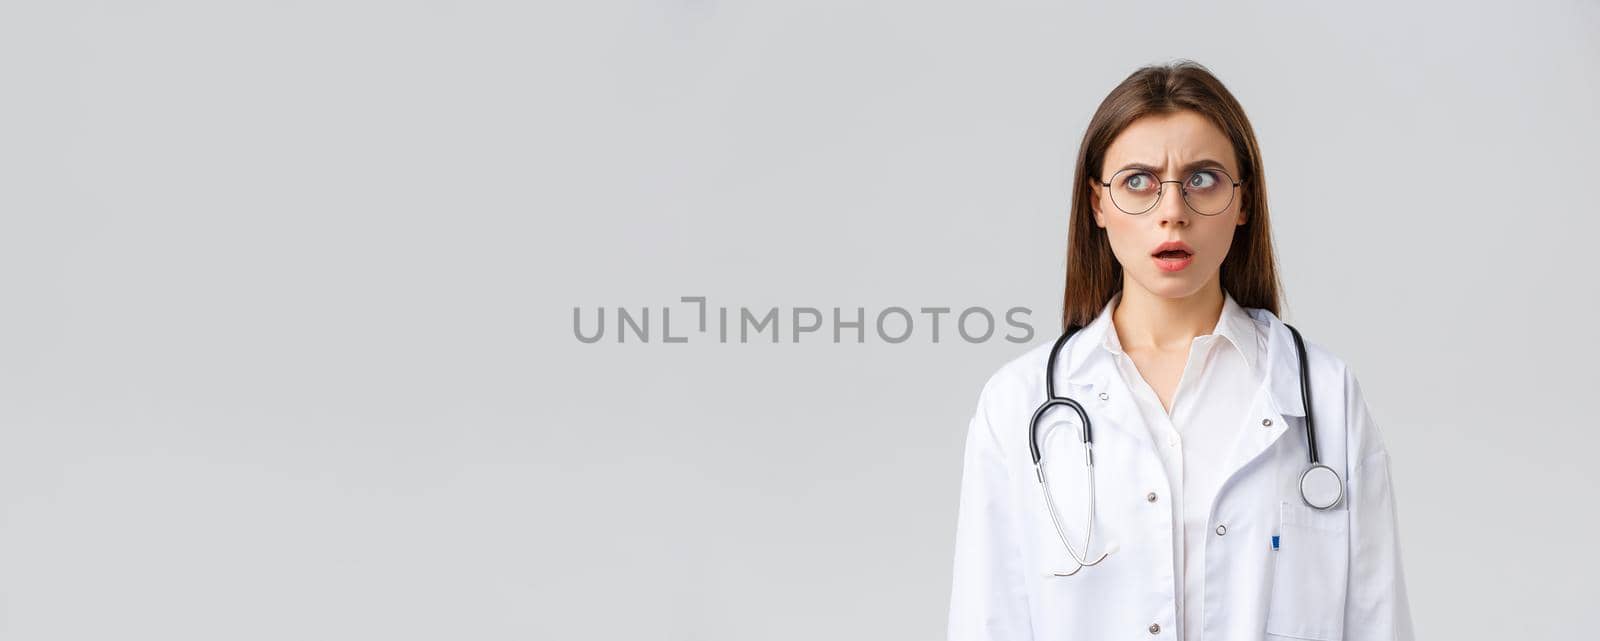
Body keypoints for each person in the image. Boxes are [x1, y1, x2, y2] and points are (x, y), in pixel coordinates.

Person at [946, 61, 1414, 641]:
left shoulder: (1323, 394)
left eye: (1203, 178)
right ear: (1097, 204)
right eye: (1138, 181)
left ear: (1244, 203)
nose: (1173, 211)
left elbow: (1376, 620)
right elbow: (988, 622)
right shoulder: (1017, 404)